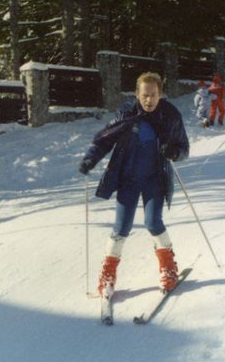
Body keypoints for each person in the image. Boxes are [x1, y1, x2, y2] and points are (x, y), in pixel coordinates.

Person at [79, 72, 189, 296]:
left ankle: (169, 268)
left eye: (154, 95)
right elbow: (104, 140)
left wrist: (174, 152)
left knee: (153, 222)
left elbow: (184, 148)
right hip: (128, 179)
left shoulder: (169, 115)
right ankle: (108, 275)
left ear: (160, 94)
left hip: (154, 179)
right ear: (137, 94)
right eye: (145, 95)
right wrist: (91, 158)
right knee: (121, 227)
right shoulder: (126, 114)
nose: (149, 100)